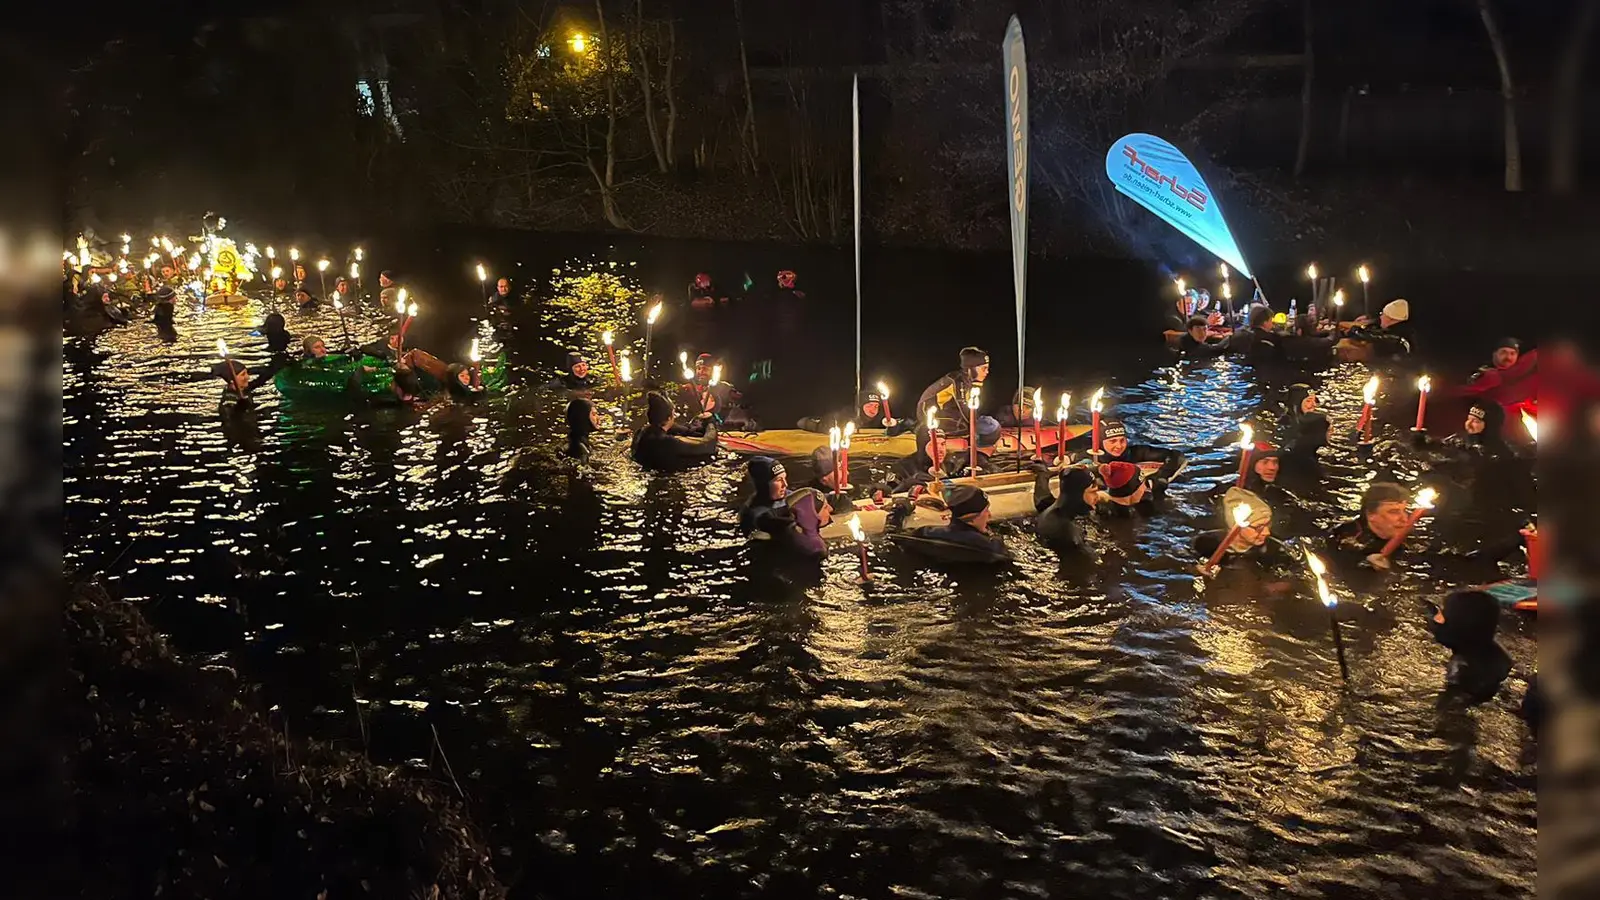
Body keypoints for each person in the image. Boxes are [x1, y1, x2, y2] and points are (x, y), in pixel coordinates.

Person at [886, 484, 1011, 563]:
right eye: (985, 511)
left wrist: (897, 512)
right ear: (971, 518)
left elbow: (891, 536)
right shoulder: (992, 547)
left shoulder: (925, 534)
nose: (989, 515)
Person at [1428, 589, 1512, 705]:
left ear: (1456, 631)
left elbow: (1447, 709)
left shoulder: (1461, 669)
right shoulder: (1497, 653)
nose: (1436, 620)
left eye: (1443, 617)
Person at [738, 456, 827, 555]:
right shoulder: (754, 514)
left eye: (784, 478)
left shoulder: (788, 495)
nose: (785, 484)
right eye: (778, 480)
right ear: (764, 485)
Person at [1079, 420, 1186, 492]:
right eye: (1112, 441)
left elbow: (1176, 456)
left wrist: (1159, 477)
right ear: (1100, 442)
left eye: (1122, 440)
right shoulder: (1088, 456)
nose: (1119, 446)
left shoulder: (1136, 452)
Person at [632, 391, 718, 470]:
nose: (675, 416)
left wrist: (698, 425)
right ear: (669, 417)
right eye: (674, 414)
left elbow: (682, 429)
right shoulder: (666, 442)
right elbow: (707, 445)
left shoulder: (641, 432)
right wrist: (710, 423)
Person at [915, 347, 992, 435]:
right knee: (966, 427)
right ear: (971, 369)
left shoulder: (969, 380)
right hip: (927, 412)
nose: (987, 372)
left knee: (972, 424)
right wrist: (981, 427)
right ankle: (920, 428)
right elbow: (965, 408)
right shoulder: (957, 381)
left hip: (945, 411)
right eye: (984, 369)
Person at [1032, 465, 1098, 552]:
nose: (1097, 497)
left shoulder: (1050, 509)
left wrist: (1042, 474)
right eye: (1093, 492)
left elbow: (1041, 495)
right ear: (1076, 494)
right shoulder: (1069, 535)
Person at [796, 386, 907, 434]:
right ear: (860, 406)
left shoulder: (881, 417)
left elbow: (906, 424)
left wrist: (894, 425)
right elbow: (829, 423)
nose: (873, 410)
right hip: (820, 424)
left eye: (876, 406)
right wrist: (843, 426)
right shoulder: (847, 414)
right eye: (869, 406)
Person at [1437, 401, 1511, 458]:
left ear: (1490, 426)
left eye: (1476, 421)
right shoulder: (1457, 440)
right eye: (1468, 419)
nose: (1468, 424)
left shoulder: (1500, 453)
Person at [1344, 299, 1415, 358]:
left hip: (1394, 369)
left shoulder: (1397, 337)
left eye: (1383, 315)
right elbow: (1375, 326)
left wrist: (1355, 330)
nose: (1380, 317)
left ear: (1392, 320)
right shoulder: (1393, 327)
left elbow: (1373, 336)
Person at [564, 396, 601, 463]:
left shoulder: (574, 440)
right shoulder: (581, 449)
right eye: (594, 414)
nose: (598, 418)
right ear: (583, 417)